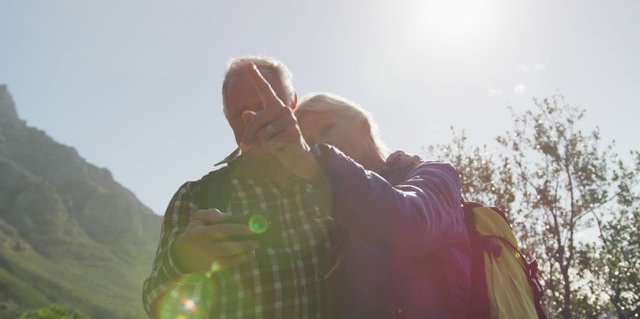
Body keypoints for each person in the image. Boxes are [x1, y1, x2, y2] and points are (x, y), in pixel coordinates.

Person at [142, 57, 339, 319]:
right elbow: (156, 305)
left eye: (265, 105)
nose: (253, 119)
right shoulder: (196, 197)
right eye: (239, 112)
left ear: (292, 103)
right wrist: (180, 261)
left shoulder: (337, 182)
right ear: (227, 118)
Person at [289, 93, 472, 319]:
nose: (318, 147)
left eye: (327, 129)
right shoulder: (330, 219)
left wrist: (328, 162)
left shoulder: (436, 175)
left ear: (363, 126)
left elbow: (408, 222)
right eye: (310, 143)